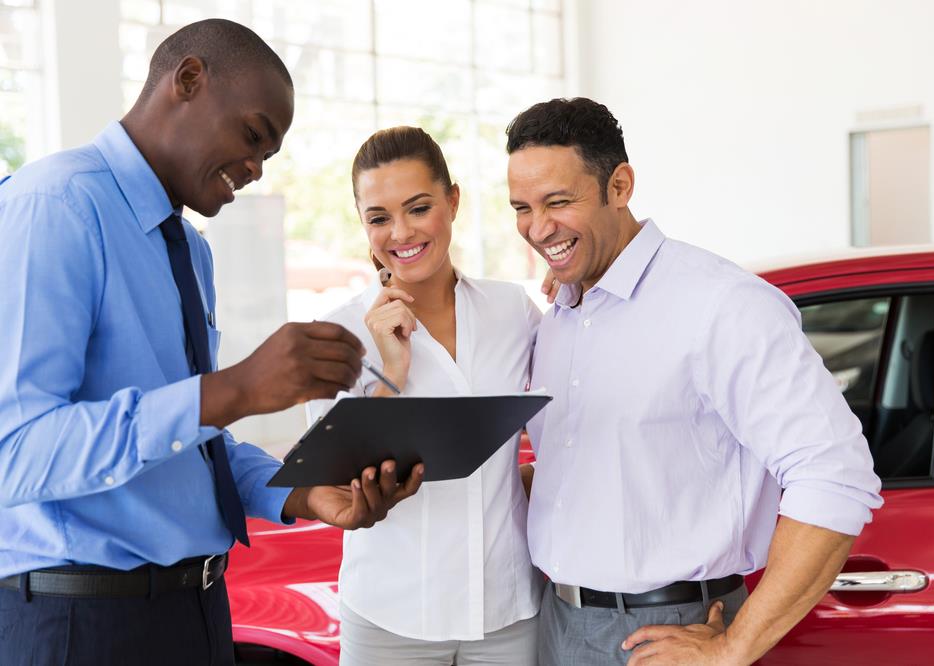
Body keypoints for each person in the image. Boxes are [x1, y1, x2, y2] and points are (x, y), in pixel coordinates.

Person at [0, 20, 420, 665]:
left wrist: (303, 494)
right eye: (253, 136)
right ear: (188, 80)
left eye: (268, 155)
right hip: (81, 623)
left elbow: (194, 440)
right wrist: (236, 389)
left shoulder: (190, 250)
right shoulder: (55, 206)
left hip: (195, 612)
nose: (254, 169)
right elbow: (14, 454)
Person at [506, 97, 884, 665]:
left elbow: (836, 476)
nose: (538, 229)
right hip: (556, 624)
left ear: (620, 186)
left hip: (666, 634)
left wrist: (734, 646)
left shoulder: (721, 304)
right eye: (522, 208)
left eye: (559, 202)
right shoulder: (560, 314)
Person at [305, 126, 542, 665]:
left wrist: (575, 290)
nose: (401, 232)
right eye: (379, 217)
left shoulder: (513, 312)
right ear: (362, 224)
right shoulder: (336, 335)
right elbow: (336, 478)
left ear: (452, 201)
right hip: (393, 616)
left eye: (418, 208)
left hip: (505, 611)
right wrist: (392, 370)